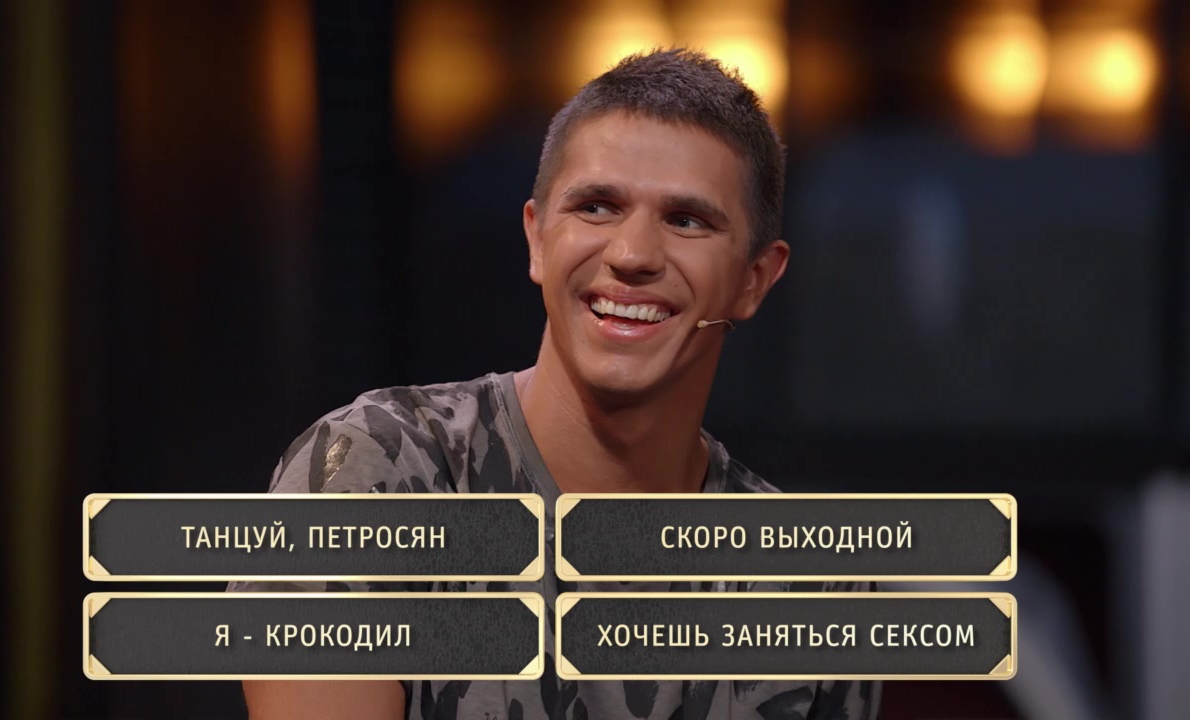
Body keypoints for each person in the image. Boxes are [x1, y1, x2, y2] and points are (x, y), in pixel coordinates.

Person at [231, 47, 881, 720]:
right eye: (597, 207)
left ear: (754, 279)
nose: (632, 255)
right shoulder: (377, 471)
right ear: (538, 239)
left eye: (686, 220)